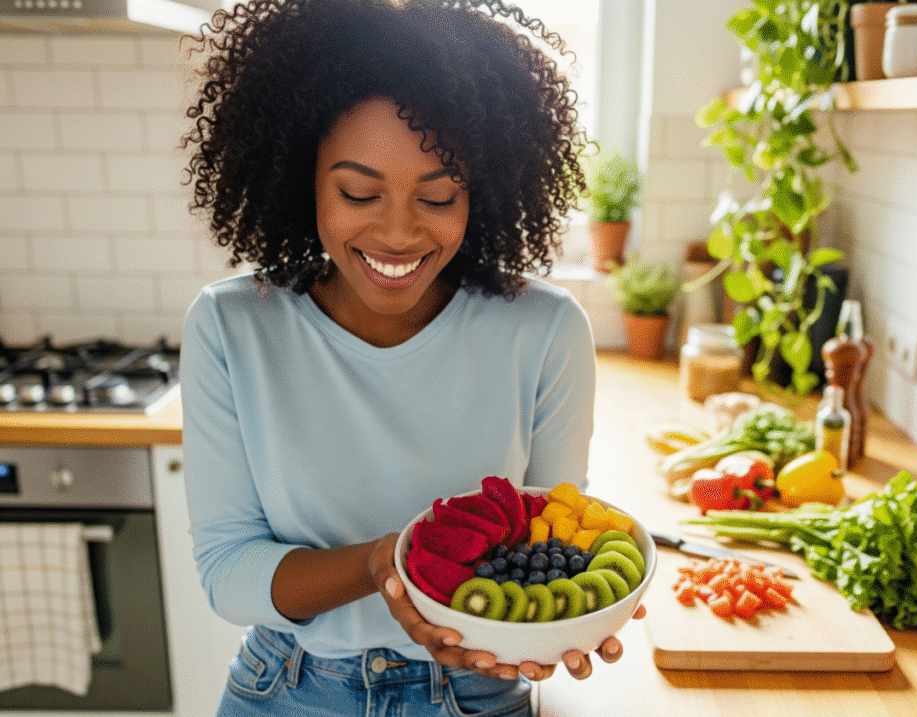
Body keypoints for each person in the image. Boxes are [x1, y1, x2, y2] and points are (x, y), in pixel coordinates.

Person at [179, 0, 643, 714]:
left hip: (475, 690)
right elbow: (227, 571)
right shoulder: (232, 326)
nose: (398, 232)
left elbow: (551, 538)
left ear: (479, 192)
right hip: (287, 689)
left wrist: (567, 626)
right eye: (359, 191)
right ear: (302, 178)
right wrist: (382, 564)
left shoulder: (545, 332)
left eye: (438, 195)